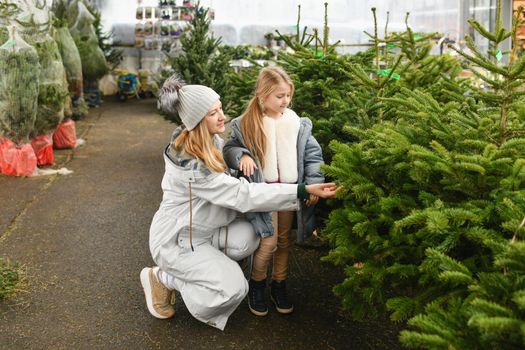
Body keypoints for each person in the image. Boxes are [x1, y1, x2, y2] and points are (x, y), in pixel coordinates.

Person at [140, 75, 337, 331]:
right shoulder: (193, 167)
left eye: (220, 108)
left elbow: (238, 155)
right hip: (177, 242)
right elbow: (244, 195)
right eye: (213, 113)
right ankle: (165, 278)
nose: (222, 116)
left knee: (249, 237)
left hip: (203, 232)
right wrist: (301, 190)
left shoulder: (212, 142)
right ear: (198, 121)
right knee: (234, 289)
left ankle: (205, 271)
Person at [223, 66, 324, 316]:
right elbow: (229, 148)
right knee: (267, 243)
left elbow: (313, 154)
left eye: (288, 95)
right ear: (262, 95)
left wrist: (313, 180)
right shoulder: (246, 123)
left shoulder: (296, 123)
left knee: (284, 240)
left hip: (290, 191)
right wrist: (242, 155)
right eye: (280, 96)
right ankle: (257, 284)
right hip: (262, 194)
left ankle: (279, 283)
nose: (286, 101)